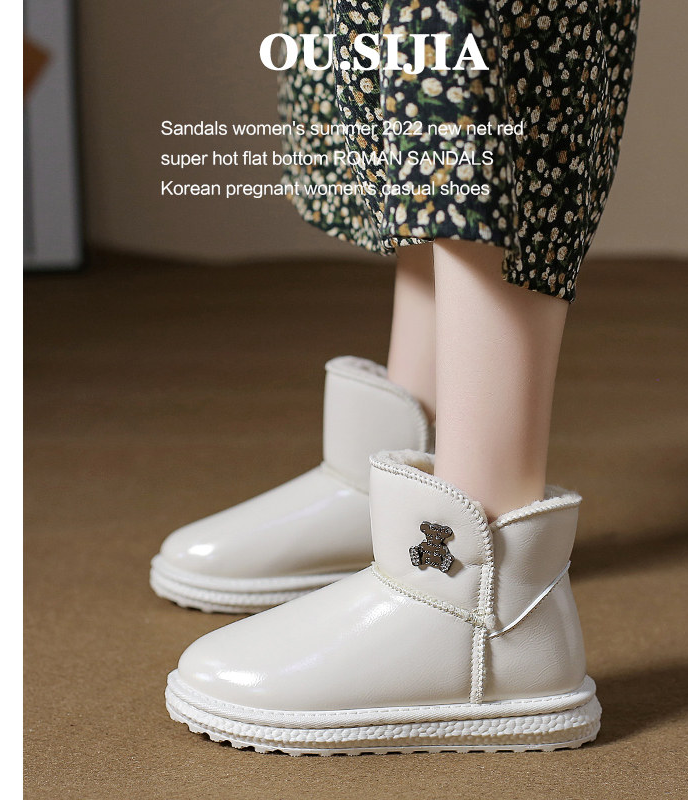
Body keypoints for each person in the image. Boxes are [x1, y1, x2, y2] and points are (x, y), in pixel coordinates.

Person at [154, 0, 640, 754]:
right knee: (398, 42)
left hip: (483, 597)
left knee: (477, 40)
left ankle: (479, 581)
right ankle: (408, 463)